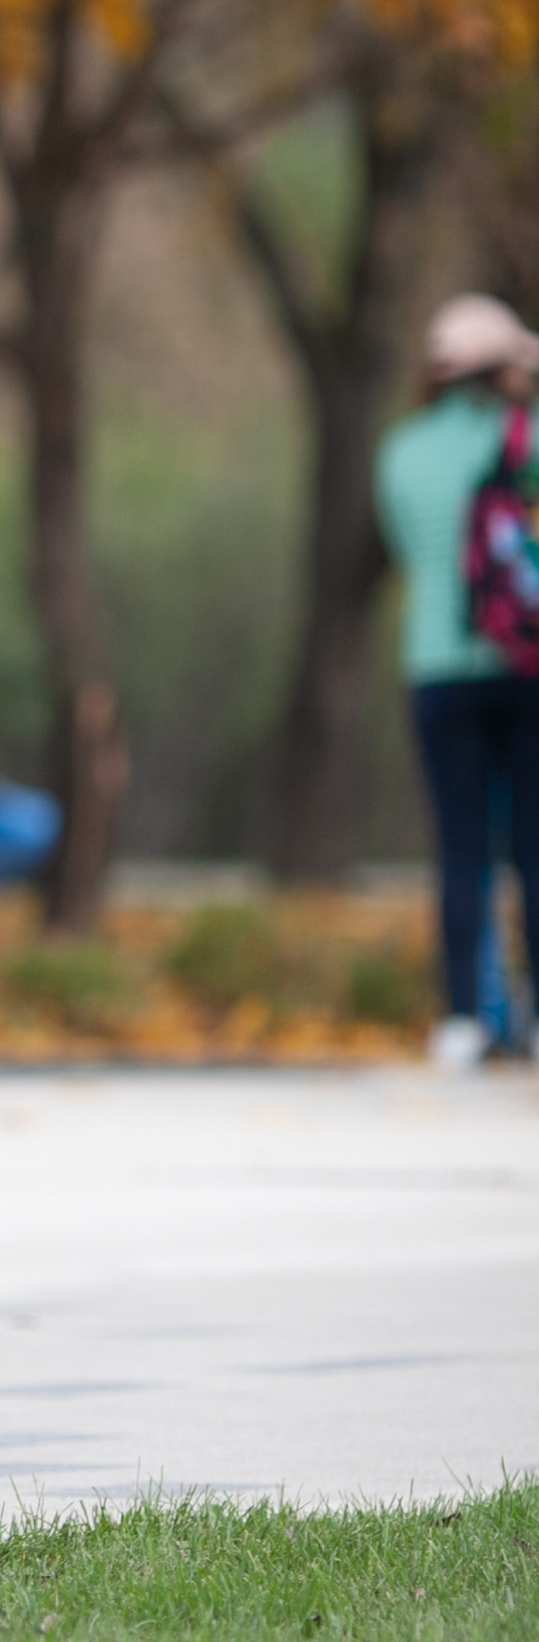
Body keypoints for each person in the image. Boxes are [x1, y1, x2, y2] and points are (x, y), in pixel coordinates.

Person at [372, 291, 539, 1068]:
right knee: (532, 845)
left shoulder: (402, 452)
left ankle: (465, 1018)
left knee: (461, 846)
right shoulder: (528, 440)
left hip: (437, 662)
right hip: (527, 664)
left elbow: (412, 551)